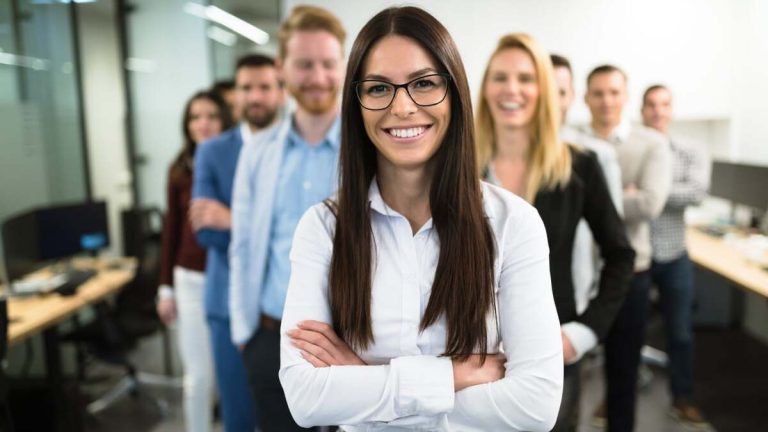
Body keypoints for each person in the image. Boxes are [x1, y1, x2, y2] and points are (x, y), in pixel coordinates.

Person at [279, 7, 563, 431]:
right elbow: (305, 398)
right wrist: (454, 377)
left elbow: (537, 404)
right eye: (378, 89)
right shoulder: (323, 228)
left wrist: (363, 380)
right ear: (356, 103)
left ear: (455, 94)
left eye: (424, 84)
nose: (403, 106)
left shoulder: (513, 224)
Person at [476, 34, 635, 431]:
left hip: (549, 355)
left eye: (525, 79)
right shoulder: (459, 168)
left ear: (543, 90)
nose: (512, 89)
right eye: (500, 77)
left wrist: (582, 333)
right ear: (485, 88)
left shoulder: (579, 167)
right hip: (470, 357)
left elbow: (620, 254)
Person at [228, 5, 345, 431]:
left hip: (350, 347)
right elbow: (241, 244)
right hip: (271, 340)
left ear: (343, 65)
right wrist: (245, 334)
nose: (317, 77)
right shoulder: (258, 151)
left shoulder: (369, 148)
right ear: (282, 67)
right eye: (304, 64)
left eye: (328, 64)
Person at [191, 53, 282, 432]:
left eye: (265, 87)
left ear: (281, 91)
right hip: (227, 301)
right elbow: (206, 231)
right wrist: (270, 224)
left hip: (282, 304)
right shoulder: (213, 151)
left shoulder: (294, 147)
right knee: (239, 414)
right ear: (235, 94)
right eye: (246, 88)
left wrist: (236, 219)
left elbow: (299, 225)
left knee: (287, 414)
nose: (255, 96)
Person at [583, 65, 672, 432]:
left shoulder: (651, 144)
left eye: (614, 92)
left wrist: (587, 200)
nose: (606, 101)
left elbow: (650, 204)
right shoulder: (571, 144)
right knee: (561, 369)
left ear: (626, 96)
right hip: (577, 273)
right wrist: (625, 195)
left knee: (623, 371)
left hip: (627, 275)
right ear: (586, 97)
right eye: (598, 93)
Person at [157, 90, 232, 432]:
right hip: (189, 278)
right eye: (195, 117)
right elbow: (171, 230)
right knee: (198, 376)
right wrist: (164, 288)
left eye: (211, 116)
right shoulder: (179, 168)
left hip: (231, 275)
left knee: (231, 375)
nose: (203, 123)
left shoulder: (239, 158)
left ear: (224, 120)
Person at [642, 84, 711, 428]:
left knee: (680, 332)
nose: (657, 111)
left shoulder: (688, 151)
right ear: (641, 110)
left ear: (671, 110)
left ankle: (682, 398)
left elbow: (697, 193)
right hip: (636, 256)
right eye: (651, 105)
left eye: (664, 105)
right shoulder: (631, 149)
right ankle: (613, 398)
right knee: (624, 333)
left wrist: (650, 190)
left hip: (674, 254)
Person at [550, 53, 624, 317]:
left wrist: (595, 313)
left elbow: (614, 239)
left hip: (576, 290)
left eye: (559, 92)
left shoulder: (593, 156)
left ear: (571, 95)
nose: (551, 101)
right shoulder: (502, 157)